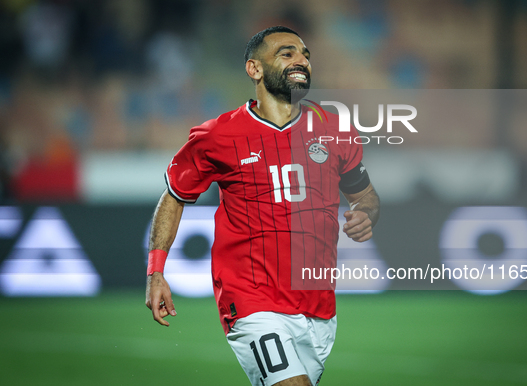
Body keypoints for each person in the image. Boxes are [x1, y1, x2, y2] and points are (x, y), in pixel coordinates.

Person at [145, 26, 380, 386]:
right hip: (251, 300)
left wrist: (366, 214)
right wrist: (156, 271)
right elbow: (175, 195)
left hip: (318, 306)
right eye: (287, 54)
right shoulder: (217, 136)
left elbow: (364, 195)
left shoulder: (335, 129)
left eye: (305, 55)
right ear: (254, 69)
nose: (301, 60)